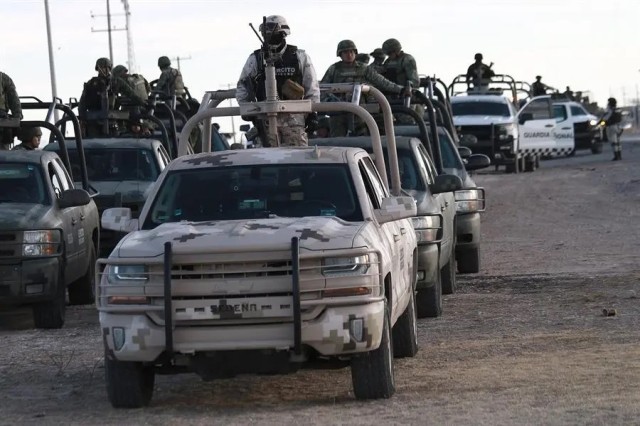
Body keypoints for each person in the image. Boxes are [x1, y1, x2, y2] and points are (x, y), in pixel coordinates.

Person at [236, 15, 320, 147]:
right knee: (266, 157)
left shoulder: (299, 56)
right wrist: (248, 109)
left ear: (283, 33)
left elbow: (312, 87)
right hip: (265, 119)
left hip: (294, 120)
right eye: (265, 32)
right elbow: (243, 86)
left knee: (297, 157)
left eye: (272, 31)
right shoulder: (256, 59)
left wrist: (313, 113)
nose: (268, 35)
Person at [321, 39, 405, 136]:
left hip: (361, 110)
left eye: (351, 52)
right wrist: (329, 101)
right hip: (339, 110)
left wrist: (401, 89)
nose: (349, 55)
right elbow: (322, 88)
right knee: (337, 139)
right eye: (346, 52)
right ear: (340, 54)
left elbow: (382, 82)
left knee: (362, 137)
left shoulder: (364, 68)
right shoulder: (334, 69)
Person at [78, 57, 114, 137]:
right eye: (102, 67)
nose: (104, 70)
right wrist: (82, 119)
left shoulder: (114, 82)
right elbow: (82, 102)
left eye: (106, 67)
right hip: (93, 118)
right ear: (97, 69)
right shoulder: (91, 83)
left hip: (112, 119)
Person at [0, 70, 22, 151]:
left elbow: (13, 99)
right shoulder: (3, 78)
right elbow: (14, 99)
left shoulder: (4, 78)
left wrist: (17, 117)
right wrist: (17, 117)